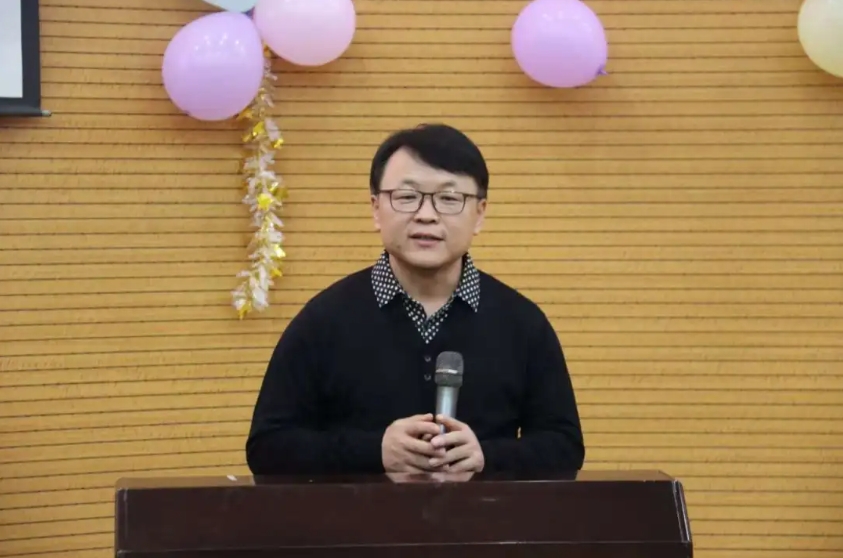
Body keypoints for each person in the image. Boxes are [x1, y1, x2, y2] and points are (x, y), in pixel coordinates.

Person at [245, 123, 585, 476]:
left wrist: (486, 457)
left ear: (480, 214)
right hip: (359, 514)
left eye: (449, 199)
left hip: (485, 513)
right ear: (376, 208)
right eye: (407, 197)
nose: (426, 214)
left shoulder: (523, 324)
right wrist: (374, 452)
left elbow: (564, 447)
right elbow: (268, 447)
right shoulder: (323, 321)